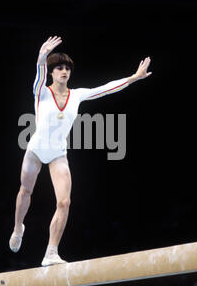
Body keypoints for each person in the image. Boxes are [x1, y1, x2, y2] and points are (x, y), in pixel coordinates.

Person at [10, 36, 152, 266]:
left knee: (64, 202)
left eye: (67, 68)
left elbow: (106, 89)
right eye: (59, 68)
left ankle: (51, 252)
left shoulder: (77, 95)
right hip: (35, 151)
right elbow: (38, 75)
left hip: (58, 154)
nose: (64, 71)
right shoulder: (41, 92)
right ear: (51, 72)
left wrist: (134, 78)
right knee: (25, 191)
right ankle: (18, 228)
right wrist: (41, 57)